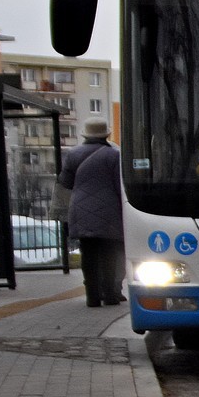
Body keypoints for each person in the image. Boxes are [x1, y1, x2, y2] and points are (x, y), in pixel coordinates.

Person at [61, 119, 124, 306]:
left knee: (88, 254)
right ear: (106, 135)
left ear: (85, 135)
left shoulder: (72, 154)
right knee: (109, 254)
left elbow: (65, 182)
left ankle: (92, 297)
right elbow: (118, 184)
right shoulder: (114, 155)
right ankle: (110, 295)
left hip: (80, 209)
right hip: (109, 209)